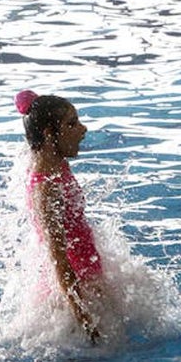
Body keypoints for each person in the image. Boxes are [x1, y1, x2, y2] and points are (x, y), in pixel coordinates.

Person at [15, 88, 112, 345]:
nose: (83, 129)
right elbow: (58, 259)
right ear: (49, 134)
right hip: (73, 298)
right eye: (72, 124)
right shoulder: (47, 188)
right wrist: (85, 320)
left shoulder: (55, 164)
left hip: (86, 283)